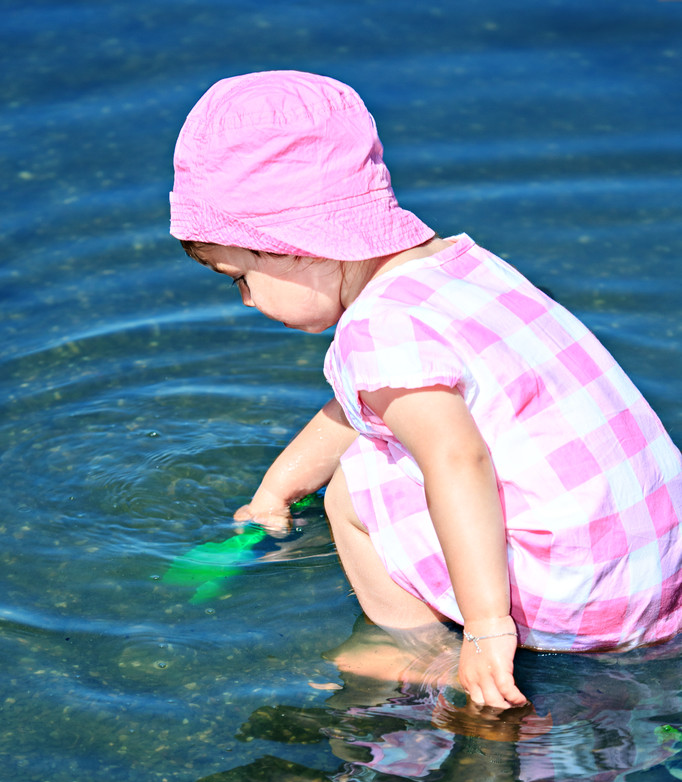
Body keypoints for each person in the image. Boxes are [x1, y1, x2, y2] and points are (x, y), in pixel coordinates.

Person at [169, 70, 682, 709]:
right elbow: (364, 405)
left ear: (291, 248)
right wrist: (276, 491)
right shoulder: (463, 268)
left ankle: (409, 650)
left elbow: (455, 460)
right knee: (383, 443)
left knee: (358, 485)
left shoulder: (377, 330)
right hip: (652, 567)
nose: (244, 300)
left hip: (577, 602)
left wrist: (488, 627)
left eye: (238, 276)